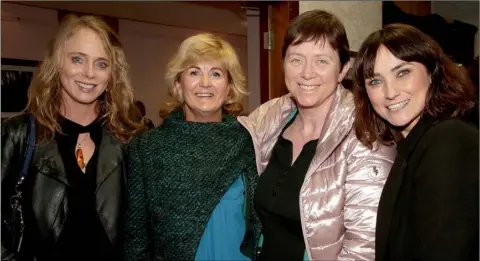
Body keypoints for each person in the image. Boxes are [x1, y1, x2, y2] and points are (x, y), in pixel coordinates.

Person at [237, 10, 396, 261]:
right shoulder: (269, 120)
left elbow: (365, 248)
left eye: (322, 61)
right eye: (296, 59)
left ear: (343, 70)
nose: (307, 73)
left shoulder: (365, 136)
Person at [1, 15, 145, 261]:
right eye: (78, 59)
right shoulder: (18, 135)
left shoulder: (129, 140)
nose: (89, 73)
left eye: (101, 64)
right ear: (57, 63)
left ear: (112, 74)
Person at [124, 33, 260, 261]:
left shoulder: (250, 141)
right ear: (178, 84)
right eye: (194, 72)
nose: (205, 83)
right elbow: (136, 240)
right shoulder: (147, 149)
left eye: (216, 73)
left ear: (229, 88)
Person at [352, 23, 479, 261]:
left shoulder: (450, 142)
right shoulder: (414, 145)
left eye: (402, 73)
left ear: (432, 72)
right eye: (375, 81)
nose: (390, 92)